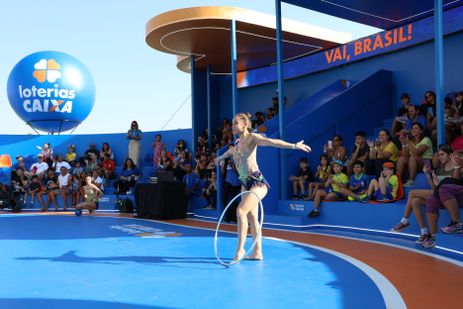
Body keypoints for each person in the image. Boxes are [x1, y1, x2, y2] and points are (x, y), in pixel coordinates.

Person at [215, 113, 311, 261]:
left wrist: (294, 146)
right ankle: (257, 252)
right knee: (253, 218)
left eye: (235, 123)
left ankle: (240, 250)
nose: (232, 126)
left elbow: (272, 142)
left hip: (257, 183)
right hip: (245, 184)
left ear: (245, 125)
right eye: (232, 123)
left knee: (240, 211)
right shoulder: (237, 143)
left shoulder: (253, 138)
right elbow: (230, 152)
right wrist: (221, 157)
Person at [390, 145, 455, 243]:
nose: (440, 157)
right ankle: (424, 231)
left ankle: (404, 221)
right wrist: (428, 176)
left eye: (442, 154)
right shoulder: (439, 169)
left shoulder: (456, 168)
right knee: (415, 201)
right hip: (439, 196)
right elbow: (435, 189)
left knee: (412, 192)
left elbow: (455, 186)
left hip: (450, 198)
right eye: (439, 155)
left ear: (450, 155)